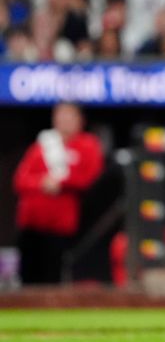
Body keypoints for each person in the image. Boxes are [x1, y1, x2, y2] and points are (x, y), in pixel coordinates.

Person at [13, 102, 104, 284]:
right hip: (31, 222)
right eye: (60, 116)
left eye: (69, 116)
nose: (64, 121)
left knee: (52, 275)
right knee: (27, 276)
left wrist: (61, 183)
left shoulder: (87, 145)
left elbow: (90, 178)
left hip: (60, 225)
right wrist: (42, 182)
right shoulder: (43, 145)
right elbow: (20, 180)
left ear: (80, 120)